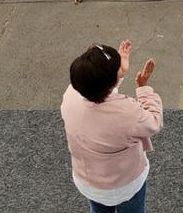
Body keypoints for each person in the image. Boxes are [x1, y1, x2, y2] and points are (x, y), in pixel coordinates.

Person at [60, 41, 161, 213]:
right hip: (126, 185)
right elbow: (153, 121)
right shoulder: (127, 113)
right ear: (111, 80)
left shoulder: (71, 96)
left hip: (88, 182)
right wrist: (143, 89)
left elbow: (97, 87)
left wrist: (118, 74)